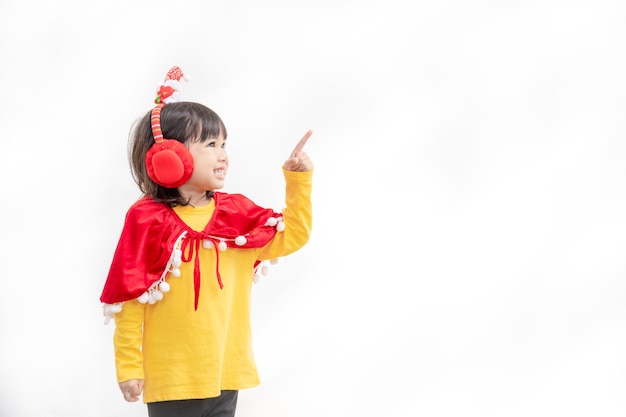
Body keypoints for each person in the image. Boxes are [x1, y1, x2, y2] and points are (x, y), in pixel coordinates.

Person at [99, 66, 313, 417]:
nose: (223, 154)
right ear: (171, 157)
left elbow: (292, 236)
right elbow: (129, 297)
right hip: (172, 379)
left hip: (227, 373)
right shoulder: (147, 220)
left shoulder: (236, 216)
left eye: (224, 144)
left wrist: (298, 183)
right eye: (210, 145)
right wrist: (129, 367)